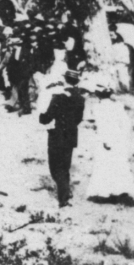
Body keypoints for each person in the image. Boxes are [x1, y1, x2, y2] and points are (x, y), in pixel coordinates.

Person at [82, 79, 134, 201]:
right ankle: (121, 190)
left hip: (105, 140)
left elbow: (102, 125)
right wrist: (122, 137)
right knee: (119, 163)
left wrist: (107, 140)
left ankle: (104, 192)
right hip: (119, 139)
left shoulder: (98, 108)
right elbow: (126, 123)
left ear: (98, 95)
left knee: (104, 165)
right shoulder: (118, 105)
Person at [39, 69, 86, 207]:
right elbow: (79, 119)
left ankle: (63, 197)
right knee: (65, 166)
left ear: (65, 80)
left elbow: (46, 118)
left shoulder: (58, 97)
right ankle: (65, 190)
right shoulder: (80, 98)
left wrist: (41, 116)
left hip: (56, 135)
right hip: (71, 135)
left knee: (55, 167)